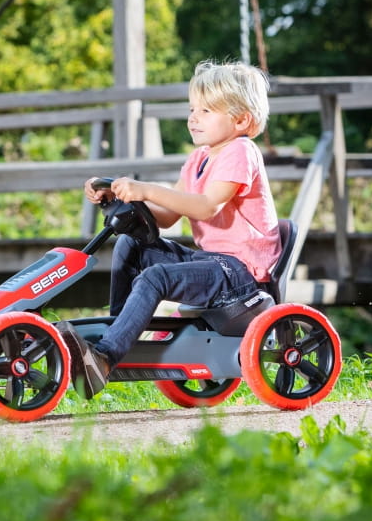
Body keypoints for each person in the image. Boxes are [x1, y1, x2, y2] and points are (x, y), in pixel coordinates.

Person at [57, 59, 282, 399]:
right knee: (130, 246)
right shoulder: (198, 159)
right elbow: (167, 217)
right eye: (193, 108)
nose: (194, 117)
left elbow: (207, 205)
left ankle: (105, 359)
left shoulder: (240, 151)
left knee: (156, 276)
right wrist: (120, 197)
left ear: (241, 120)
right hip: (213, 263)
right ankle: (117, 333)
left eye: (207, 110)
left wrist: (145, 189)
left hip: (241, 274)